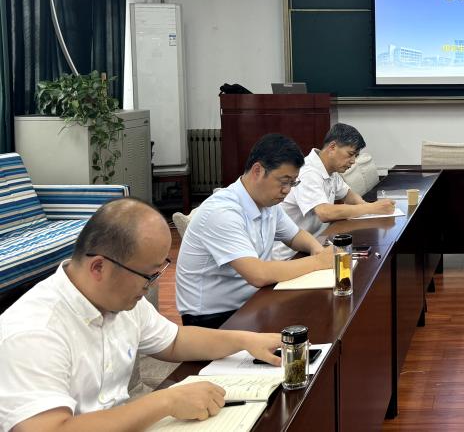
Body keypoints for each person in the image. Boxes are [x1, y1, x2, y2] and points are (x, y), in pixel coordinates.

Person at [0, 198, 282, 432]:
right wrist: (166, 402)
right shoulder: (34, 331)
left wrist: (245, 341)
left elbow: (174, 341)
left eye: (158, 272)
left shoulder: (117, 299)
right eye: (148, 275)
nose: (152, 286)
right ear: (98, 267)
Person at [176, 134, 333, 328]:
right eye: (284, 181)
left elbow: (295, 236)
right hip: (215, 319)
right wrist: (319, 262)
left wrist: (317, 249)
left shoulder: (267, 203)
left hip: (255, 300)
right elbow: (258, 274)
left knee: (320, 312)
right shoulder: (222, 212)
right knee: (311, 325)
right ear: (258, 170)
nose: (287, 190)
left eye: (293, 183)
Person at [274, 123, 395, 260]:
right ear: (332, 147)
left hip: (318, 242)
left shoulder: (331, 170)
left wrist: (370, 207)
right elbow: (325, 213)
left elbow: (349, 195)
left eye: (355, 156)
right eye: (350, 154)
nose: (353, 161)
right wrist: (371, 208)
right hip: (292, 254)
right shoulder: (308, 172)